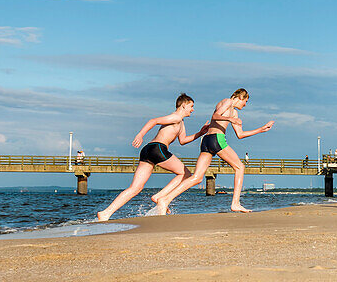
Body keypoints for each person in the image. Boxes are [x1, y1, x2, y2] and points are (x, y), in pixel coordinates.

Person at [155, 88, 273, 214]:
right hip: (217, 139)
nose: (245, 105)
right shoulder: (227, 102)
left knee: (197, 178)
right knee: (240, 167)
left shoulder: (234, 113)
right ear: (240, 97)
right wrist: (230, 119)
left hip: (207, 141)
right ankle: (235, 203)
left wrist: (261, 129)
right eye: (245, 101)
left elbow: (240, 134)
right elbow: (215, 116)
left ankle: (165, 199)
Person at [95, 93, 206, 222]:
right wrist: (140, 135)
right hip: (158, 149)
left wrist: (200, 133)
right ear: (183, 105)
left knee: (135, 188)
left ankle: (105, 213)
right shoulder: (175, 117)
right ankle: (160, 197)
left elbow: (183, 140)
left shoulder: (180, 123)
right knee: (185, 174)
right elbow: (153, 121)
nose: (193, 110)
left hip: (148, 150)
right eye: (191, 106)